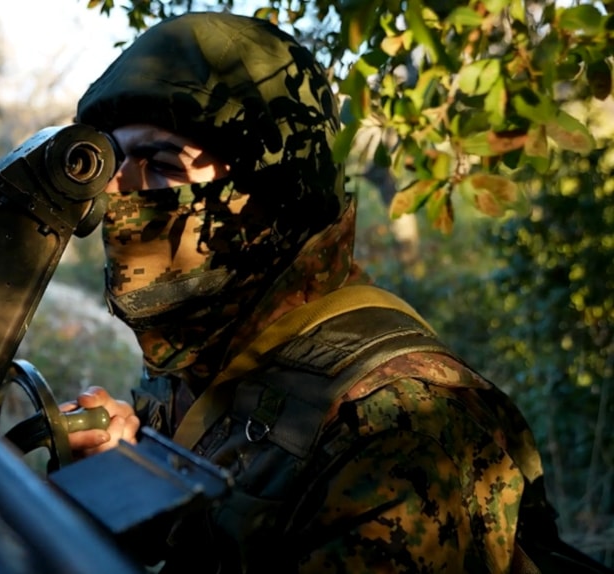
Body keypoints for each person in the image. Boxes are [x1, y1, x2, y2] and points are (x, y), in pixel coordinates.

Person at [61, 10, 597, 574]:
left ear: (270, 193)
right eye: (114, 161)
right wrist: (128, 483)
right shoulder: (205, 346)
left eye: (162, 163)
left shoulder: (399, 420)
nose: (116, 194)